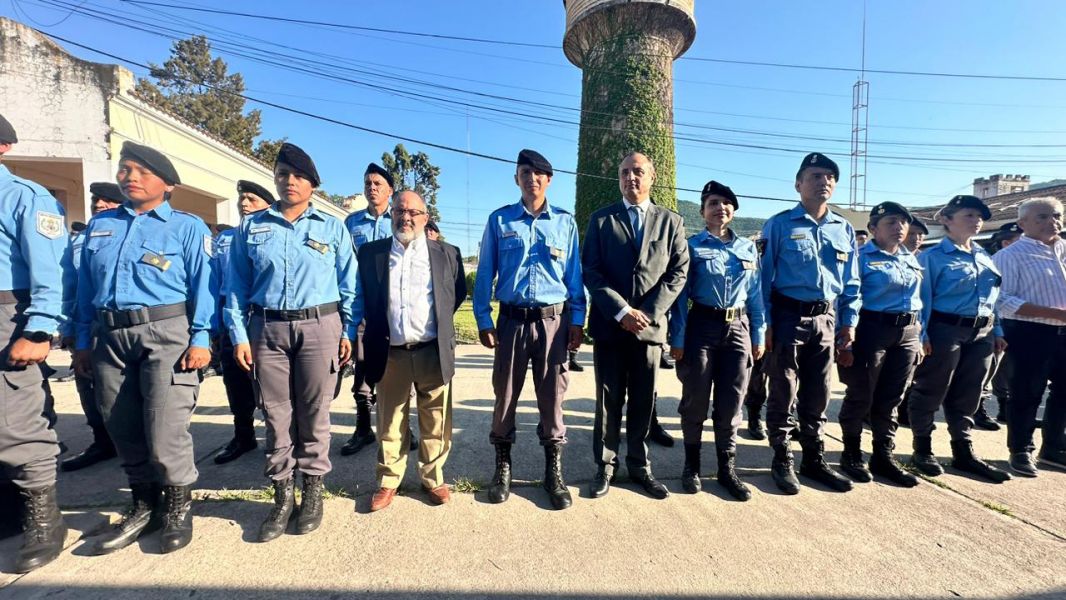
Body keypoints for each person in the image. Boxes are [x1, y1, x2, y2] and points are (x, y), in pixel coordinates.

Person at [73, 141, 215, 554]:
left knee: (165, 425)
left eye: (141, 171)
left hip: (165, 332)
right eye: (125, 168)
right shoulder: (102, 226)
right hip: (108, 335)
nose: (130, 177)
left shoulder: (187, 227)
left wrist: (201, 337)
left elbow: (204, 288)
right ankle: (143, 503)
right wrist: (83, 339)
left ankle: (176, 507)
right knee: (121, 422)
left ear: (167, 184)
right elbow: (86, 288)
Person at [226, 144, 356, 541]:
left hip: (320, 327)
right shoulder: (252, 227)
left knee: (315, 411)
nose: (289, 181)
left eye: (298, 176)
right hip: (267, 330)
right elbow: (235, 286)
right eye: (282, 174)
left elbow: (350, 284)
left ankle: (313, 489)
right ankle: (283, 494)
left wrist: (348, 330)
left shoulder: (332, 227)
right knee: (276, 413)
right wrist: (238, 335)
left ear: (313, 185)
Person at [474, 149, 584, 510]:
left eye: (539, 173)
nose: (532, 178)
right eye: (525, 172)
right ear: (516, 178)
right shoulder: (500, 221)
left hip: (554, 323)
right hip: (511, 322)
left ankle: (553, 472)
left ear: (549, 180)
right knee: (504, 396)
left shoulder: (565, 223)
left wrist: (578, 321)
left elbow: (574, 279)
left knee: (553, 398)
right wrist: (483, 318)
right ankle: (502, 468)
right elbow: (486, 271)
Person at [582, 152, 689, 500]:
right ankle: (606, 466)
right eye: (625, 171)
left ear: (651, 177)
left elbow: (678, 272)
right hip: (612, 327)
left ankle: (640, 466)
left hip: (650, 330)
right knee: (608, 401)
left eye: (638, 172)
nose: (631, 177)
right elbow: (592, 272)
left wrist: (648, 313)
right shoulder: (601, 220)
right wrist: (622, 310)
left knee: (644, 401)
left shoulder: (670, 222)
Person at [358, 191, 467, 512]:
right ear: (391, 214)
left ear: (425, 217)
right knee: (390, 420)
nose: (406, 217)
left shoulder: (447, 254)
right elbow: (363, 297)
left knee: (435, 420)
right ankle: (389, 480)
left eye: (413, 212)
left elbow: (455, 294)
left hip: (432, 350)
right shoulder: (371, 254)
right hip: (389, 351)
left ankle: (433, 477)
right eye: (399, 211)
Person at [760, 152, 858, 495]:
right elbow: (763, 279)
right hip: (788, 315)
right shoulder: (780, 224)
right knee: (784, 388)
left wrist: (850, 322)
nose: (824, 182)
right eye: (815, 176)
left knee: (819, 390)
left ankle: (814, 458)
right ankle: (782, 456)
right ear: (799, 184)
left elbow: (851, 282)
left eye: (830, 177)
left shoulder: (842, 228)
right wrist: (766, 324)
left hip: (827, 319)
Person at [0, 112, 72, 572]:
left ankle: (44, 518)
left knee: (15, 421)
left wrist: (40, 327)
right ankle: (7, 509)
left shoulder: (24, 196)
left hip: (8, 313)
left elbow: (51, 268)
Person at [668, 180, 765, 501]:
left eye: (726, 203)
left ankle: (727, 470)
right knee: (695, 397)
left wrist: (758, 334)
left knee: (732, 399)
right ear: (702, 211)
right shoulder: (692, 247)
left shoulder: (747, 249)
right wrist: (678, 338)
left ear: (733, 211)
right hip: (702, 327)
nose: (720, 208)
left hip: (738, 328)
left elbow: (756, 296)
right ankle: (692, 466)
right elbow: (680, 298)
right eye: (713, 203)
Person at [907, 195, 1011, 483]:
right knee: (932, 388)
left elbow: (993, 300)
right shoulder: (931, 258)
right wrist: (923, 335)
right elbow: (921, 302)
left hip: (982, 332)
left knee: (970, 393)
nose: (977, 221)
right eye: (969, 215)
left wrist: (998, 331)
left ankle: (963, 451)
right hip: (945, 329)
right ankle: (922, 448)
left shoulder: (983, 256)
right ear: (946, 220)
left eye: (980, 217)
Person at [835, 202, 922, 488]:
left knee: (892, 397)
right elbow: (846, 298)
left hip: (907, 332)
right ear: (873, 229)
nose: (899, 227)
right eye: (891, 222)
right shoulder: (860, 258)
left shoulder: (911, 258)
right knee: (861, 394)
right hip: (871, 330)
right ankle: (851, 454)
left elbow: (920, 302)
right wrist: (844, 341)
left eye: (903, 222)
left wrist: (919, 338)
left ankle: (883, 456)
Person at [992, 198, 1066, 476]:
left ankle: (1054, 446)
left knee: (1064, 392)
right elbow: (1003, 300)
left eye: (1056, 216)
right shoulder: (1009, 256)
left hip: (1064, 333)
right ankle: (1021, 449)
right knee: (1026, 392)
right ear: (1022, 224)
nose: (1052, 222)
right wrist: (1054, 314)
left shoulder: (1064, 249)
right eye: (1042, 217)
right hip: (1030, 333)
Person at [60, 182, 123, 472]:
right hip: (85, 323)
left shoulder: (124, 236)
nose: (98, 204)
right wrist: (68, 326)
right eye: (96, 199)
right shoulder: (78, 240)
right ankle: (102, 441)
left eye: (107, 201)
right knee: (87, 383)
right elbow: (69, 286)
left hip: (120, 324)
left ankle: (133, 444)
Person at [210, 180, 273, 465]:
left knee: (272, 384)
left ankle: (279, 437)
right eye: (242, 199)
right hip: (231, 319)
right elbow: (213, 283)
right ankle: (243, 434)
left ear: (268, 206)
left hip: (264, 319)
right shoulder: (226, 239)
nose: (244, 204)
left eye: (252, 200)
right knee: (235, 381)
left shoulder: (276, 237)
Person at [340, 163, 396, 456]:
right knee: (362, 368)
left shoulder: (399, 220)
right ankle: (363, 429)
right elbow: (346, 267)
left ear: (390, 190)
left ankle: (401, 428)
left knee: (398, 367)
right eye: (367, 183)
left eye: (377, 183)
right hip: (363, 306)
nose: (371, 188)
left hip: (394, 307)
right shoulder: (352, 224)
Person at [743, 237, 769, 440]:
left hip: (783, 317)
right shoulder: (750, 254)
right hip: (756, 317)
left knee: (786, 376)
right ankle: (754, 415)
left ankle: (789, 417)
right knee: (757, 373)